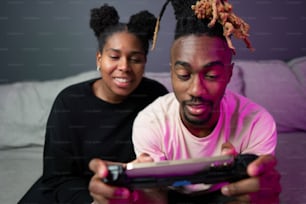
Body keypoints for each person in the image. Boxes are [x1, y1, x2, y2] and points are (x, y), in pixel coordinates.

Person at [89, 0, 281, 204]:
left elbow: (253, 188)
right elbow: (157, 195)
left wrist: (260, 194)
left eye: (212, 75)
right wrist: (134, 197)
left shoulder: (258, 122)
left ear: (229, 73)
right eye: (183, 74)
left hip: (225, 193)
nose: (196, 90)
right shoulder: (150, 122)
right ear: (171, 73)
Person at [18, 4, 168, 204]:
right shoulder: (69, 102)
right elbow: (58, 178)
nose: (124, 67)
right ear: (99, 58)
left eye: (135, 59)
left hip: (132, 193)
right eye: (114, 57)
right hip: (72, 194)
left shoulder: (156, 97)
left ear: (144, 63)